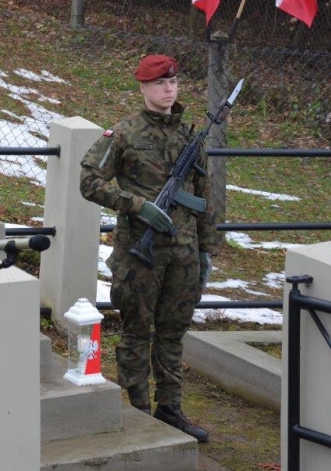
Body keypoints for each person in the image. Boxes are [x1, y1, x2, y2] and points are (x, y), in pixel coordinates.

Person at [79, 54, 221, 443]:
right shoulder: (124, 134)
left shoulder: (190, 138)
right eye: (160, 84)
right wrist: (138, 205)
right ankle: (137, 407)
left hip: (184, 253)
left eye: (173, 83)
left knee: (173, 334)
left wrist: (207, 249)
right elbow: (90, 181)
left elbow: (205, 197)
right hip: (140, 254)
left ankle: (170, 408)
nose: (169, 89)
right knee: (138, 332)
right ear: (143, 88)